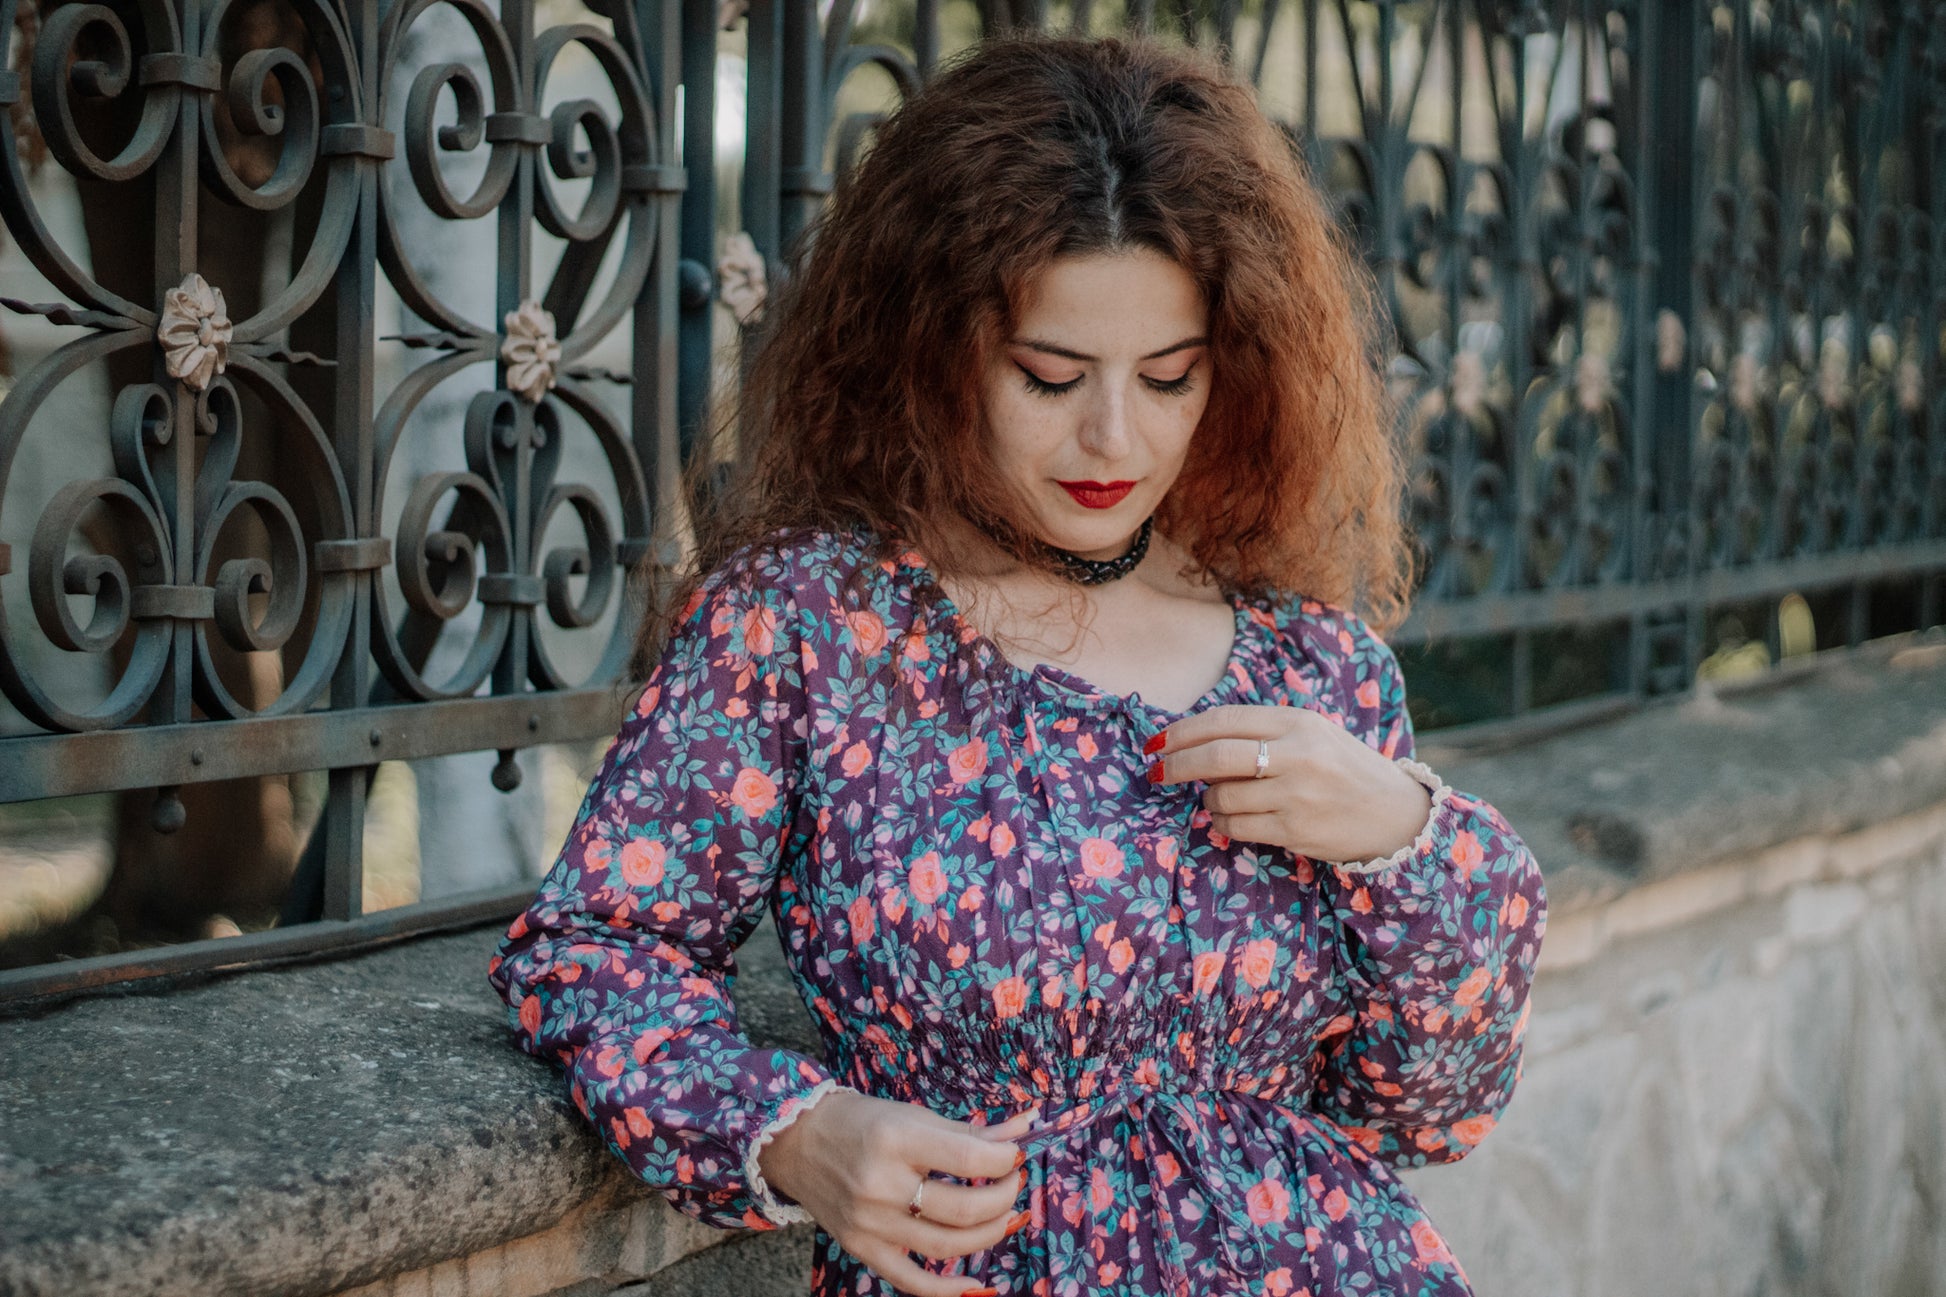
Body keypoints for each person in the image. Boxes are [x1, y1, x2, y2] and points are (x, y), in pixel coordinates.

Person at [488, 33, 1546, 1297]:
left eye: (1169, 377)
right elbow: (593, 951)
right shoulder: (808, 626)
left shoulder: (1312, 662)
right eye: (1048, 377)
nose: (1113, 437)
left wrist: (1403, 837)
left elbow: (1424, 1115)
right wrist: (791, 1134)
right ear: (931, 351)